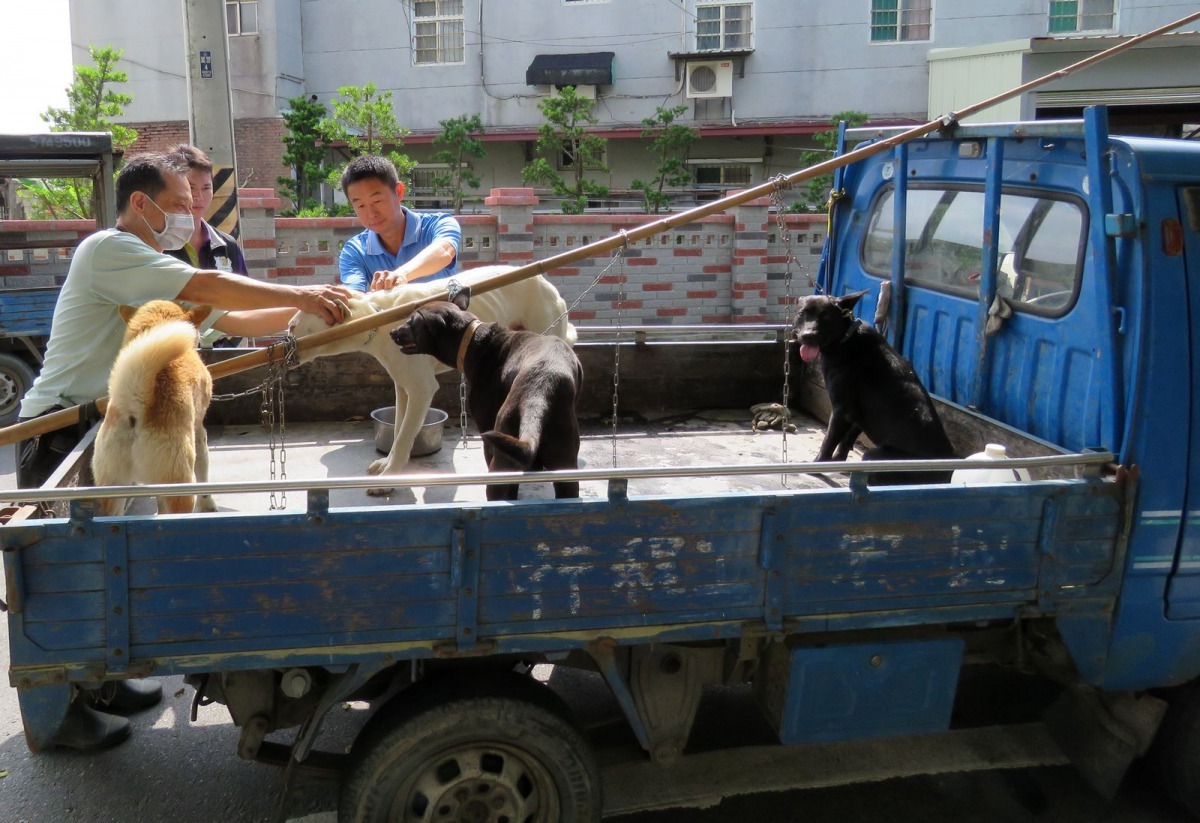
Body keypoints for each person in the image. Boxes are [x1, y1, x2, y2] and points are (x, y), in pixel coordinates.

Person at [14, 151, 351, 751]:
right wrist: (303, 293)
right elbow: (209, 287)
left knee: (114, 559)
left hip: (115, 423)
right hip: (61, 429)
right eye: (177, 204)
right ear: (139, 203)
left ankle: (103, 685)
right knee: (64, 574)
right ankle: (55, 718)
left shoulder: (158, 270)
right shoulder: (109, 249)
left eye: (193, 205)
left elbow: (234, 314)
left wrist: (320, 310)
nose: (189, 216)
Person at [163, 144, 250, 346]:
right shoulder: (156, 245)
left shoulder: (227, 245)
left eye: (206, 188)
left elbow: (246, 301)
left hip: (226, 356)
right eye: (191, 187)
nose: (198, 197)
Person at [338, 154, 462, 292]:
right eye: (360, 206)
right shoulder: (354, 250)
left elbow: (444, 251)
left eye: (377, 201)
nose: (371, 214)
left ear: (398, 191)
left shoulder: (439, 224)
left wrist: (402, 274)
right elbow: (354, 294)